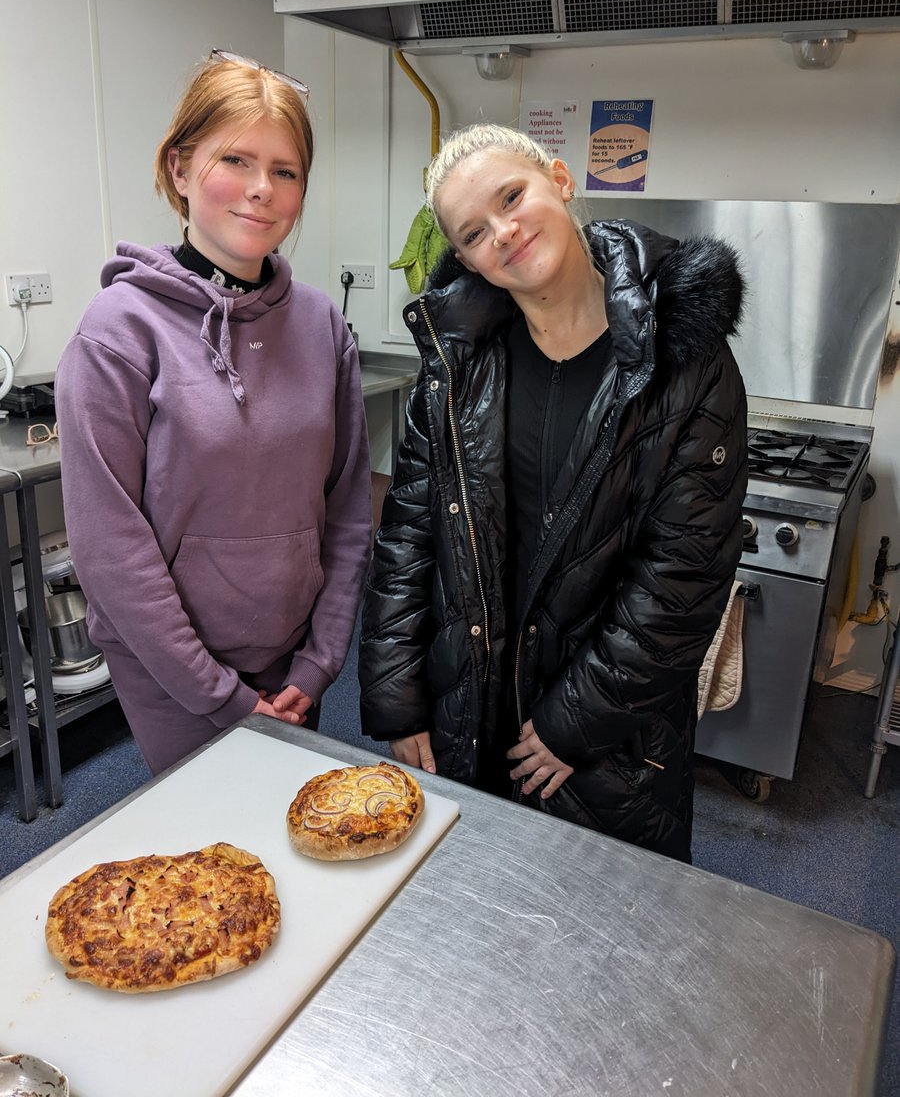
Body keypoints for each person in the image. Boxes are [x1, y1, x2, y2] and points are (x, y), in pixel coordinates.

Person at [358, 123, 747, 862]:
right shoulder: (458, 358)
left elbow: (684, 573)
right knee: (467, 917)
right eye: (474, 232)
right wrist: (397, 695)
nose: (503, 233)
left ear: (560, 181)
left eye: (513, 196)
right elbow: (408, 532)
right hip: (468, 702)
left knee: (597, 935)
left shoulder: (685, 353)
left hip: (608, 733)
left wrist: (575, 721)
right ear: (464, 255)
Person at [56, 50, 372, 775]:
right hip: (172, 671)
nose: (262, 190)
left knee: (293, 840)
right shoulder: (119, 331)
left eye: (286, 171)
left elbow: (350, 507)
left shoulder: (322, 325)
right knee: (213, 868)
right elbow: (110, 549)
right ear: (178, 168)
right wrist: (217, 693)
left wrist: (322, 660)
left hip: (295, 660)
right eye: (236, 159)